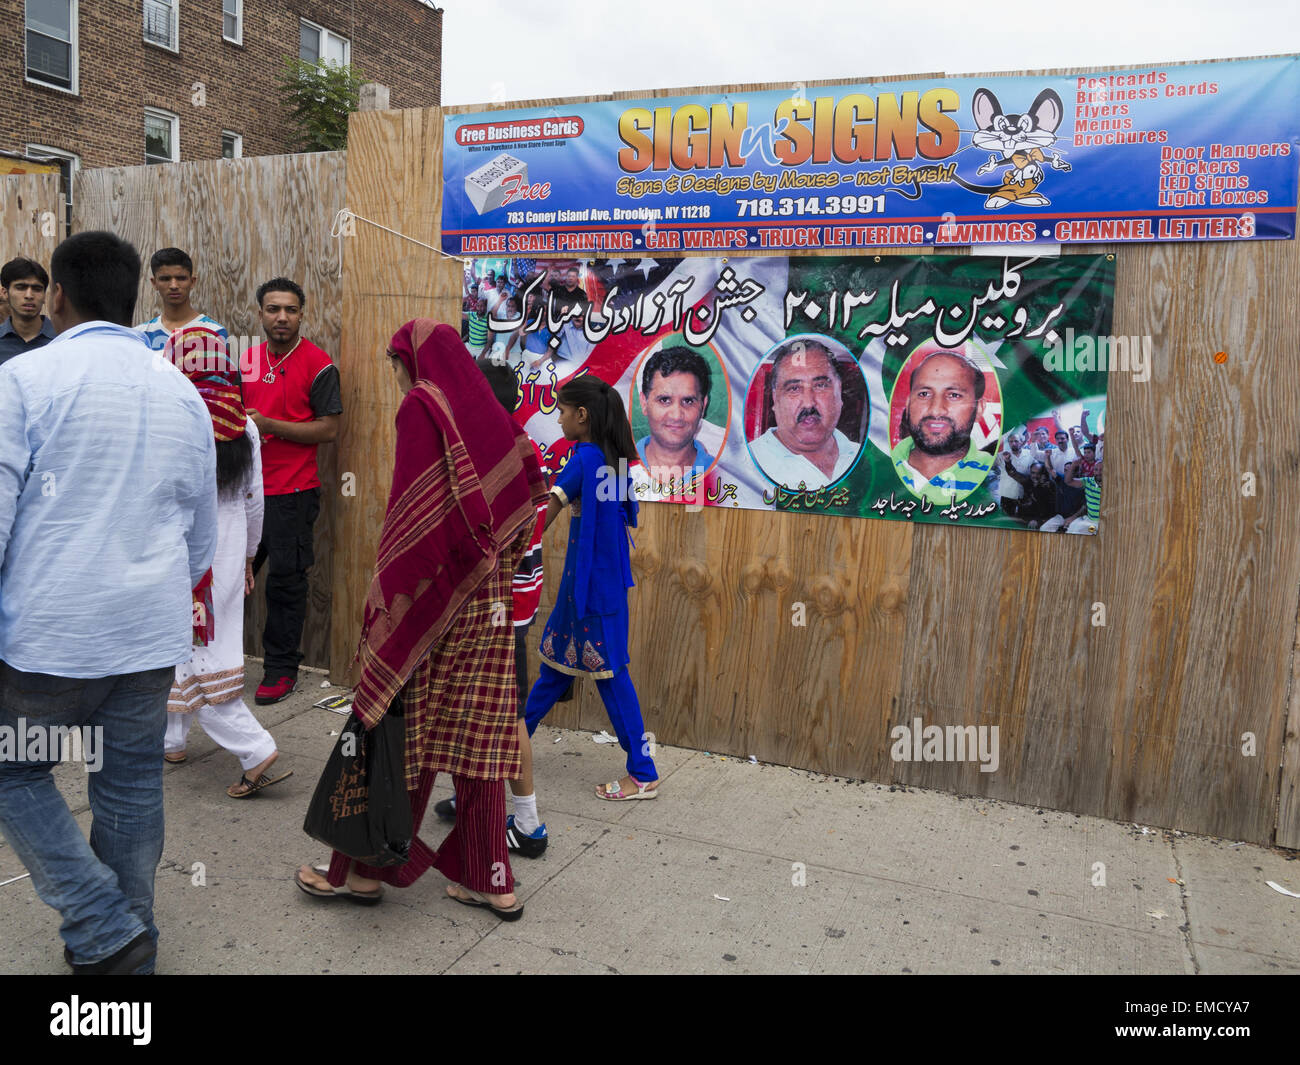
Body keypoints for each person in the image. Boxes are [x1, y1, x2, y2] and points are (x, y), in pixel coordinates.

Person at [0, 230, 216, 974]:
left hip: (48, 640)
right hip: (147, 637)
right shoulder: (180, 390)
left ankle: (102, 924)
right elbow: (201, 534)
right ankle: (127, 940)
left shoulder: (25, 380)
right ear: (134, 298)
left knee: (14, 768)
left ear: (56, 295)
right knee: (127, 783)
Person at [296, 321, 547, 919]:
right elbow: (529, 503)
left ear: (411, 362)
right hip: (489, 610)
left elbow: (411, 519)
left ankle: (356, 870)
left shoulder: (422, 407)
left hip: (434, 603)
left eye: (395, 365)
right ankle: (493, 878)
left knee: (392, 725)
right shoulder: (503, 432)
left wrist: (389, 602)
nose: (398, 377)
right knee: (475, 743)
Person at [162, 327, 291, 798]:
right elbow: (255, 502)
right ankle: (172, 739)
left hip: (185, 562)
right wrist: (249, 557)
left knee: (197, 657)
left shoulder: (171, 421)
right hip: (230, 555)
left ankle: (255, 750)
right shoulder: (246, 425)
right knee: (189, 650)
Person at [435, 362, 551, 857]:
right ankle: (471, 801)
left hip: (493, 610)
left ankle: (528, 825)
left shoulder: (489, 458)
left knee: (506, 718)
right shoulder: (523, 448)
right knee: (473, 710)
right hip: (513, 606)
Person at [523, 377, 659, 801]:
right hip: (600, 584)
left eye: (562, 411)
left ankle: (643, 772)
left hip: (590, 590)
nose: (559, 418)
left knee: (612, 675)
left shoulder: (583, 459)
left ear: (582, 416)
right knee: (554, 670)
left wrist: (507, 548)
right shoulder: (615, 460)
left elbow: (544, 517)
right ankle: (507, 746)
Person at [243, 278, 342, 705]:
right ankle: (218, 666)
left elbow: (329, 429)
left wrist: (270, 426)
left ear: (302, 314)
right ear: (261, 314)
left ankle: (281, 670)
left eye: (289, 309)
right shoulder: (246, 360)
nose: (281, 317)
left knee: (285, 585)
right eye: (272, 309)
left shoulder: (319, 365)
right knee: (229, 582)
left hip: (292, 494)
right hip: (243, 494)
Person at [749, 338, 860, 489]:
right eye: (794, 388)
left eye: (820, 385)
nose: (809, 403)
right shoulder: (745, 465)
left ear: (839, 392)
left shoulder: (866, 459)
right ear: (775, 398)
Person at [890, 350, 993, 503]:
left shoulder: (993, 475)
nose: (936, 409)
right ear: (908, 403)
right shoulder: (879, 466)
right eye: (924, 394)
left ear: (979, 409)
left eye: (954, 395)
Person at [636, 346, 716, 487]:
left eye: (688, 401)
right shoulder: (615, 471)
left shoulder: (722, 477)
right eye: (664, 400)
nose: (676, 415)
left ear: (703, 405)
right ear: (644, 403)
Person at [137, 247, 227, 351]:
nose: (174, 286)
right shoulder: (140, 335)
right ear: (154, 283)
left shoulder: (214, 331)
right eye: (165, 279)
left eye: (181, 278)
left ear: (192, 282)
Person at [0, 257, 54, 367]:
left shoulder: (63, 339)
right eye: (20, 288)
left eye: (37, 289)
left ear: (44, 296)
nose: (29, 295)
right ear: (5, 293)